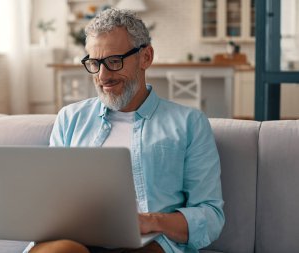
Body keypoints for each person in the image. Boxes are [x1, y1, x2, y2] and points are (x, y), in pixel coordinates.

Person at [29, 8, 224, 253]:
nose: (102, 76)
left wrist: (150, 221)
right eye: (94, 63)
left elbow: (211, 215)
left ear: (146, 57)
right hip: (76, 241)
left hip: (148, 244)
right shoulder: (70, 119)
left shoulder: (189, 123)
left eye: (113, 61)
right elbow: (51, 198)